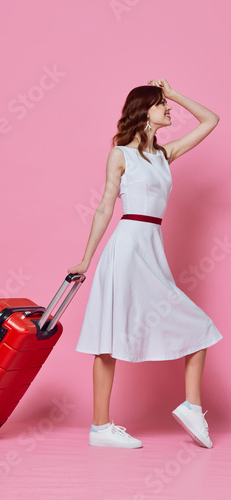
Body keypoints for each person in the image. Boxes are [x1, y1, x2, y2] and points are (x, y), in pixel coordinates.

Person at [68, 79, 223, 449]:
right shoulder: (121, 154)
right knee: (108, 338)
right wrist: (85, 259)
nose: (169, 111)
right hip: (126, 249)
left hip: (151, 250)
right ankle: (100, 428)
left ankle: (190, 406)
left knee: (199, 327)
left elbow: (211, 120)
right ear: (145, 112)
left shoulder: (163, 156)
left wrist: (173, 94)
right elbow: (106, 206)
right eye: (161, 105)